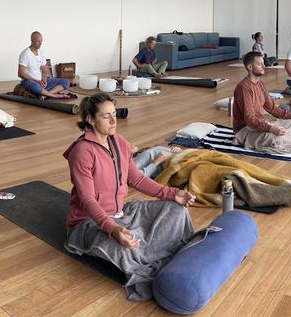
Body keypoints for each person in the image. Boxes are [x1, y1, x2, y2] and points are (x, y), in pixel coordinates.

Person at [64, 93, 195, 300]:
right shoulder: (82, 152)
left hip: (121, 214)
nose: (113, 121)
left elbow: (138, 180)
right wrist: (113, 230)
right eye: (106, 116)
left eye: (114, 114)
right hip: (89, 223)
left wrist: (172, 194)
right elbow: (87, 200)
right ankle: (151, 253)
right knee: (123, 247)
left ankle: (146, 248)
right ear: (90, 119)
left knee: (176, 210)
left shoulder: (119, 142)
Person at [233, 51, 291, 146]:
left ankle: (286, 138)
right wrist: (270, 128)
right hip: (246, 129)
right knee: (274, 138)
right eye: (260, 64)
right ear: (250, 67)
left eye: (263, 63)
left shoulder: (260, 84)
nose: (264, 66)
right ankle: (288, 138)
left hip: (262, 125)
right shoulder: (244, 87)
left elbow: (272, 108)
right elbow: (249, 119)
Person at [17, 31, 74, 99]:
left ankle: (45, 95)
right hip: (29, 82)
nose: (40, 43)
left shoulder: (41, 53)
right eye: (38, 41)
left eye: (41, 41)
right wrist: (36, 81)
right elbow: (20, 73)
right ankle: (54, 95)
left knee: (66, 82)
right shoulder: (25, 53)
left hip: (40, 82)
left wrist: (44, 79)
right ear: (32, 40)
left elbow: (44, 69)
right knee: (36, 87)